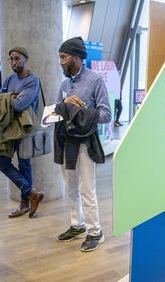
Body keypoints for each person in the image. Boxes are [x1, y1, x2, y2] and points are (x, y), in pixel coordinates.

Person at [54, 37, 111, 252]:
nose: (60, 62)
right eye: (59, 57)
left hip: (86, 143)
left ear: (77, 57)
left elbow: (106, 114)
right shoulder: (64, 85)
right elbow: (56, 112)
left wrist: (80, 109)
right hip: (65, 141)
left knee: (87, 189)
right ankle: (76, 226)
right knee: (71, 188)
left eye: (63, 57)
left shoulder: (95, 81)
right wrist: (62, 106)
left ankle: (95, 231)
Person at [0, 46, 45, 218]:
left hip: (25, 129)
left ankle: (24, 203)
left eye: (17, 58)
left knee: (25, 165)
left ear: (25, 59)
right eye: (11, 59)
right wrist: (11, 96)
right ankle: (32, 194)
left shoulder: (32, 80)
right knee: (1, 162)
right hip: (9, 128)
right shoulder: (9, 79)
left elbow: (18, 104)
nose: (14, 62)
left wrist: (8, 98)